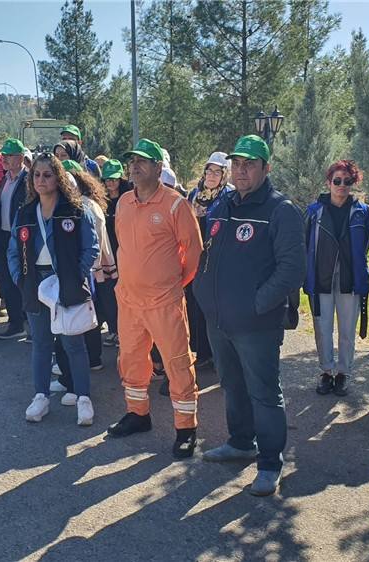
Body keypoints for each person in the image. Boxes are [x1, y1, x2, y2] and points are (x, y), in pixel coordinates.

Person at [194, 134, 306, 497]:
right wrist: (203, 294)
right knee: (232, 385)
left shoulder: (280, 209)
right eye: (237, 164)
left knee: (264, 394)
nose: (241, 171)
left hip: (256, 323)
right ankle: (241, 442)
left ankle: (270, 462)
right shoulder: (223, 203)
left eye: (250, 164)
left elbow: (291, 270)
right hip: (218, 319)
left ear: (266, 168)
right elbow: (208, 251)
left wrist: (257, 304)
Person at [106, 138, 202, 460]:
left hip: (164, 301)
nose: (134, 166)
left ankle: (186, 429)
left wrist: (171, 284)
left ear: (159, 167)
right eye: (132, 161)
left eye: (142, 161)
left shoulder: (175, 205)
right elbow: (124, 245)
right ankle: (138, 414)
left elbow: (194, 253)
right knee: (131, 359)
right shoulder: (122, 203)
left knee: (176, 362)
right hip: (129, 301)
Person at [7, 153, 99, 426]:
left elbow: (90, 247)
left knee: (73, 342)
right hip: (35, 283)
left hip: (66, 282)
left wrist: (74, 276)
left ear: (58, 178)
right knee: (41, 343)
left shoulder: (75, 209)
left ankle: (83, 398)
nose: (41, 180)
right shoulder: (24, 212)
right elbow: (14, 250)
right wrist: (20, 280)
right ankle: (41, 396)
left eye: (47, 175)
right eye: (36, 175)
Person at [304, 160, 369, 397]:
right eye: (337, 181)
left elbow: (365, 245)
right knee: (322, 329)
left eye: (347, 181)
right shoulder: (314, 212)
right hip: (321, 277)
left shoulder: (362, 212)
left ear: (353, 183)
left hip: (349, 279)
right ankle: (326, 371)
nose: (342, 186)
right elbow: (305, 245)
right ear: (328, 182)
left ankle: (343, 373)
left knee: (347, 330)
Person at [51, 161, 113, 399]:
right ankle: (77, 372)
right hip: (89, 272)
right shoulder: (82, 206)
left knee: (79, 325)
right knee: (81, 323)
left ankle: (76, 381)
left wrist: (88, 271)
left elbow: (95, 244)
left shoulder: (83, 208)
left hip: (88, 273)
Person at [184, 151, 234, 371]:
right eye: (209, 170)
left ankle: (221, 354)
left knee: (218, 307)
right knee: (196, 304)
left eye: (217, 171)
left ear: (225, 174)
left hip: (220, 259)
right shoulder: (194, 195)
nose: (212, 175)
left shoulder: (230, 196)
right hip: (196, 258)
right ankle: (202, 351)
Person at [0, 137, 29, 340]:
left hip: (23, 238)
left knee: (22, 280)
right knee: (7, 281)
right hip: (5, 236)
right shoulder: (5, 179)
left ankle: (24, 321)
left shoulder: (29, 179)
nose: (4, 159)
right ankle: (16, 321)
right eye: (3, 155)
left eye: (9, 155)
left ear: (21, 157)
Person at [98, 159, 130, 347]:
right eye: (107, 180)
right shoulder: (101, 201)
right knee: (109, 293)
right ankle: (114, 329)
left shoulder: (128, 199)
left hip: (125, 254)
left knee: (125, 295)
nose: (110, 183)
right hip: (107, 254)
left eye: (114, 179)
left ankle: (125, 331)